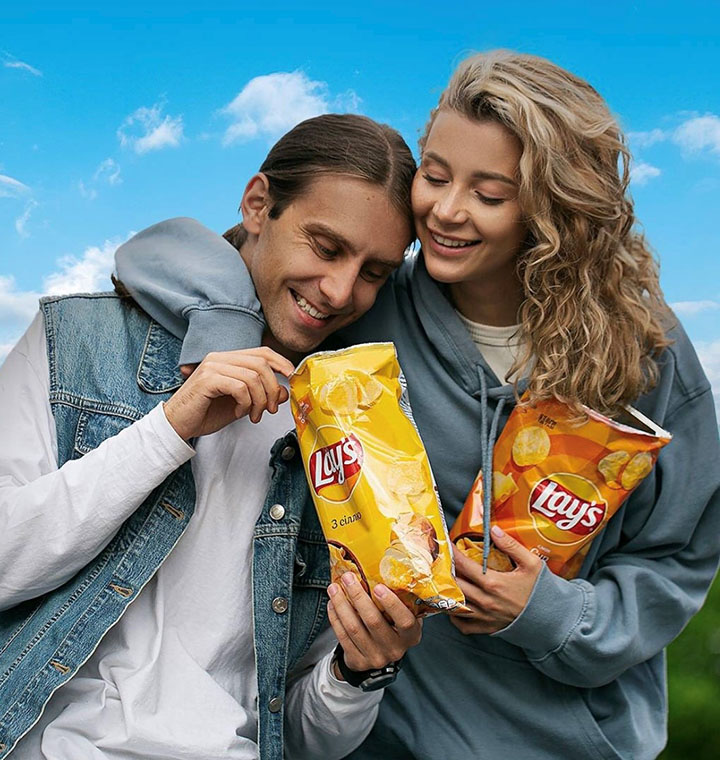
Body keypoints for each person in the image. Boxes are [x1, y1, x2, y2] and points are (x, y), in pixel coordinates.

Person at [114, 52, 720, 759]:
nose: (445, 210)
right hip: (380, 736)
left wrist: (553, 615)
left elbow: (678, 554)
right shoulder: (369, 304)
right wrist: (226, 322)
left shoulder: (643, 349)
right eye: (434, 176)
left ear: (554, 208)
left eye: (489, 194)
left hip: (568, 741)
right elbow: (168, 250)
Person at [0, 114, 423, 760]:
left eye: (374, 272)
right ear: (258, 205)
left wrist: (357, 675)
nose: (340, 290)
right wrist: (171, 430)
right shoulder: (75, 343)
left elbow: (298, 734)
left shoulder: (345, 441)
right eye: (326, 246)